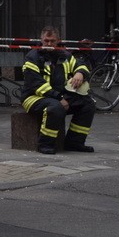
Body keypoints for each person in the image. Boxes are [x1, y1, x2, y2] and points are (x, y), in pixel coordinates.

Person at [20, 25, 96, 154]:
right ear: (41, 40)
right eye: (46, 41)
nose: (49, 44)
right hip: (33, 97)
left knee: (88, 104)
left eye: (52, 41)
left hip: (59, 97)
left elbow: (82, 66)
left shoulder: (65, 56)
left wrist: (80, 74)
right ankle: (45, 144)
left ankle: (75, 142)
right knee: (55, 107)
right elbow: (36, 85)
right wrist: (59, 98)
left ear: (58, 40)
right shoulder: (32, 57)